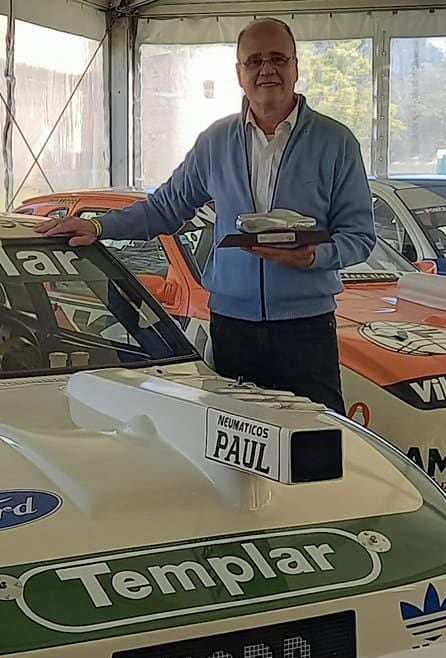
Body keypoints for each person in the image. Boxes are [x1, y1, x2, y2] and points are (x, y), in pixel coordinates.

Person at [33, 17, 373, 411]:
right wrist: (97, 225)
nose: (267, 69)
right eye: (254, 61)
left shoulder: (336, 142)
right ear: (239, 73)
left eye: (278, 59)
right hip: (232, 327)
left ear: (296, 68)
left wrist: (314, 256)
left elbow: (360, 236)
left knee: (316, 445)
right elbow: (165, 208)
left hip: (306, 327)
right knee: (232, 445)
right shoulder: (216, 140)